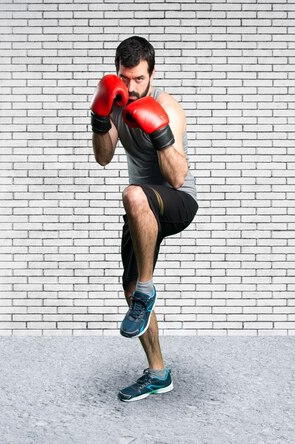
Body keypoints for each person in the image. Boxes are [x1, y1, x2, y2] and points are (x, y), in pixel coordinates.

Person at [90, 36, 198, 402]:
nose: (132, 88)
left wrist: (160, 132)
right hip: (141, 211)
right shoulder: (118, 103)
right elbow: (103, 158)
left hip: (177, 200)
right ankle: (158, 373)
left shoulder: (168, 105)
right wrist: (100, 117)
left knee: (133, 192)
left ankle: (147, 291)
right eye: (125, 79)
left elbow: (179, 175)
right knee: (129, 288)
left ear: (151, 74)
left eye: (139, 79)